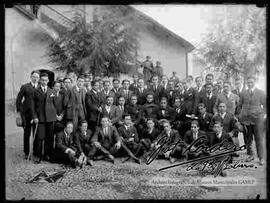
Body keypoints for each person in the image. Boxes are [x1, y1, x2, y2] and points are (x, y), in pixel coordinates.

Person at [238, 76, 266, 165]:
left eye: (251, 82)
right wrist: (239, 115)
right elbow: (239, 105)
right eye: (248, 82)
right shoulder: (243, 93)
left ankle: (261, 157)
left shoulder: (260, 92)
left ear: (255, 82)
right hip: (246, 119)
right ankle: (251, 155)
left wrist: (263, 115)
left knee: (259, 139)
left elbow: (265, 104)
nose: (250, 84)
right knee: (248, 138)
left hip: (258, 119)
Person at [32, 72, 57, 163]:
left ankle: (47, 155)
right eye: (42, 80)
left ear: (48, 81)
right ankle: (38, 156)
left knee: (49, 138)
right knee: (40, 137)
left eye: (45, 80)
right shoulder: (35, 91)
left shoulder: (52, 91)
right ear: (40, 80)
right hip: (40, 118)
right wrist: (34, 117)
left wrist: (55, 115)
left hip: (50, 118)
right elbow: (33, 106)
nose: (44, 82)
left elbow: (55, 105)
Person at [16, 70, 40, 159]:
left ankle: (36, 152)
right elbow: (19, 99)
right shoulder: (25, 87)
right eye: (34, 76)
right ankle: (26, 153)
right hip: (26, 115)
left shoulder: (40, 87)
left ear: (39, 78)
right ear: (31, 77)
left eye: (37, 77)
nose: (35, 78)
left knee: (36, 134)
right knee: (27, 134)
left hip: (37, 115)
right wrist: (19, 111)